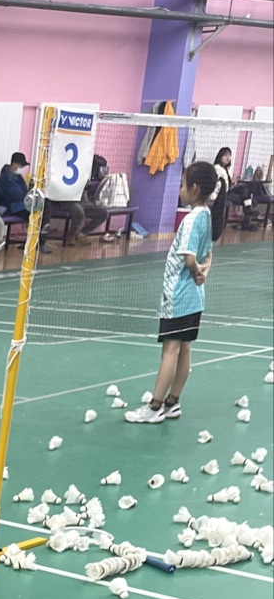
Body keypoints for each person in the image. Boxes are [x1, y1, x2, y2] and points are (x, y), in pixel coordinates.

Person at [123, 161, 216, 425]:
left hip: (179, 296)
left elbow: (189, 258)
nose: (179, 189)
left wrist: (196, 269)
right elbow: (208, 254)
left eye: (183, 185)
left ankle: (155, 407)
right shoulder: (207, 215)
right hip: (195, 296)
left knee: (170, 350)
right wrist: (203, 272)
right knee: (185, 349)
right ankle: (172, 403)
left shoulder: (191, 219)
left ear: (194, 188)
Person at [0, 152, 30, 220]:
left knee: (43, 204)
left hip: (20, 206)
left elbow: (24, 190)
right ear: (14, 164)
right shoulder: (5, 179)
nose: (22, 168)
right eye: (20, 166)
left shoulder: (18, 176)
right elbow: (17, 195)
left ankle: (44, 225)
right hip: (12, 208)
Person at [209, 147, 233, 241]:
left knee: (245, 191)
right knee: (244, 193)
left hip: (227, 192)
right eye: (225, 155)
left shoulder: (226, 169)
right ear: (220, 156)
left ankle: (248, 209)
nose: (228, 158)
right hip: (221, 195)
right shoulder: (217, 168)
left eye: (229, 155)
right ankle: (248, 208)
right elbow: (217, 184)